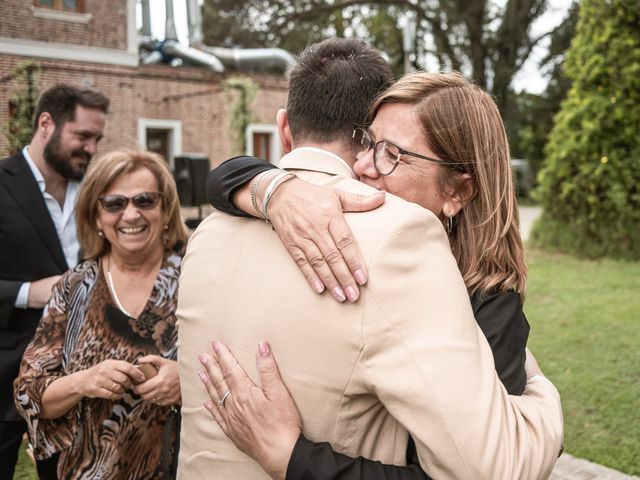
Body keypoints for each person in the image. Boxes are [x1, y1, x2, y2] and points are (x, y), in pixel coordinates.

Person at [176, 39, 563, 480]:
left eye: (391, 154)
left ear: (458, 190)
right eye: (368, 144)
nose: (361, 167)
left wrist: (291, 456)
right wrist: (269, 188)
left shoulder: (487, 304)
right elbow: (224, 178)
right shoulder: (351, 227)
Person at [13, 149, 189, 479]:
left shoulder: (197, 277)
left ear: (165, 209)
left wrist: (186, 381)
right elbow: (31, 395)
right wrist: (84, 381)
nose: (131, 214)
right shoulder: (75, 287)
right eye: (114, 203)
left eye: (145, 201)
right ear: (96, 216)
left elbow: (242, 361)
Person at [0, 83, 109, 479]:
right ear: (46, 123)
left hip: (74, 380)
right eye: (82, 136)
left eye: (97, 138)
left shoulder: (98, 194)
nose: (92, 148)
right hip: (4, 371)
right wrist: (29, 293)